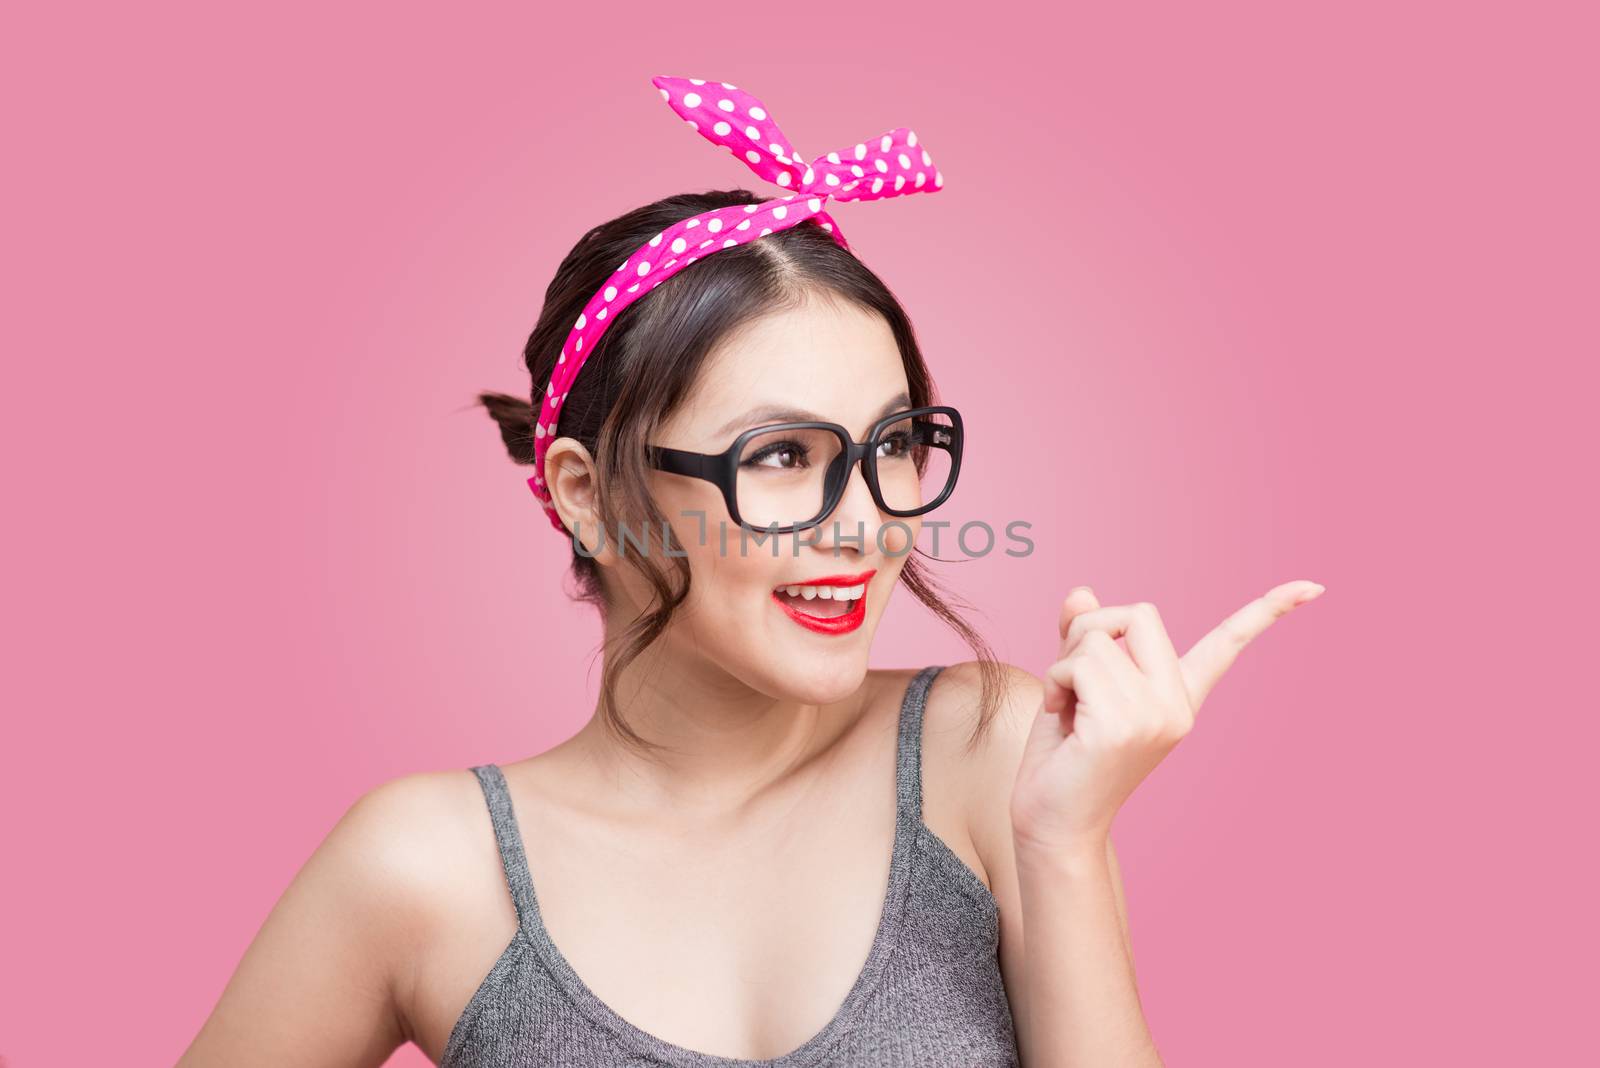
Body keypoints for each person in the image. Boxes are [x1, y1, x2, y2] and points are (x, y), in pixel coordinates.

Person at [179, 76, 1323, 1068]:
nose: (868, 525)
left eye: (889, 446)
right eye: (780, 456)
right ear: (585, 492)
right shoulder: (426, 867)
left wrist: (1061, 848)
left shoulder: (989, 755)